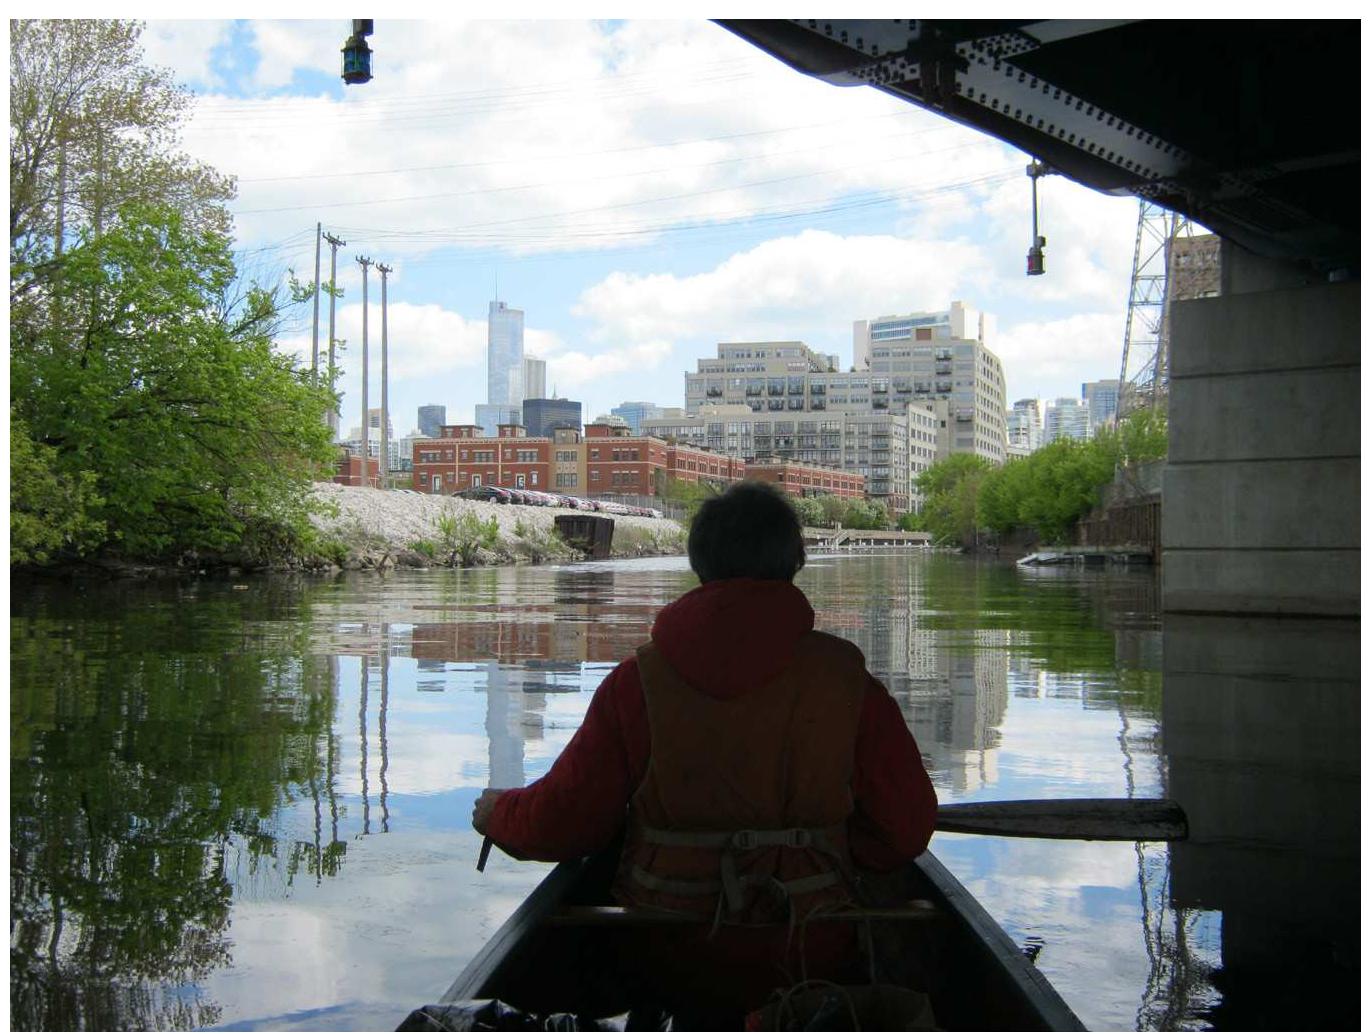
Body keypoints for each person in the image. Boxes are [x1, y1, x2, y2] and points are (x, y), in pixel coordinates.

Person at [472, 480, 937, 1015]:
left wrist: (497, 812)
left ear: (699, 564)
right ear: (794, 563)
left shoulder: (634, 683)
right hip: (811, 950)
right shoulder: (846, 678)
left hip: (665, 954)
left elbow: (563, 823)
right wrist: (831, 848)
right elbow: (905, 828)